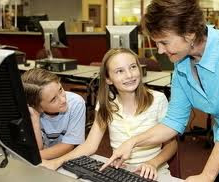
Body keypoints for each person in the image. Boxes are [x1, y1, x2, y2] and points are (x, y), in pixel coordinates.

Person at [100, 0, 219, 182]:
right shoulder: (182, 63)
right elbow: (173, 122)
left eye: (164, 42)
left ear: (189, 34)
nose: (159, 50)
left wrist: (207, 175)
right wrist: (132, 141)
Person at [41, 48, 177, 180]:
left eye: (133, 67)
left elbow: (171, 144)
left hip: (153, 171)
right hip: (120, 170)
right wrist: (57, 162)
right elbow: (90, 145)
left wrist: (153, 163)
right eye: (119, 71)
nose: (129, 75)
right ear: (108, 79)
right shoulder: (106, 104)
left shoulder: (158, 99)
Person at [21, 68, 86, 160]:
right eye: (53, 99)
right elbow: (36, 148)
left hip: (67, 158)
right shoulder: (30, 110)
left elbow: (68, 146)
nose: (63, 100)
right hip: (42, 159)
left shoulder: (76, 103)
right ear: (37, 106)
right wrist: (35, 118)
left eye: (60, 89)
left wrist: (33, 156)